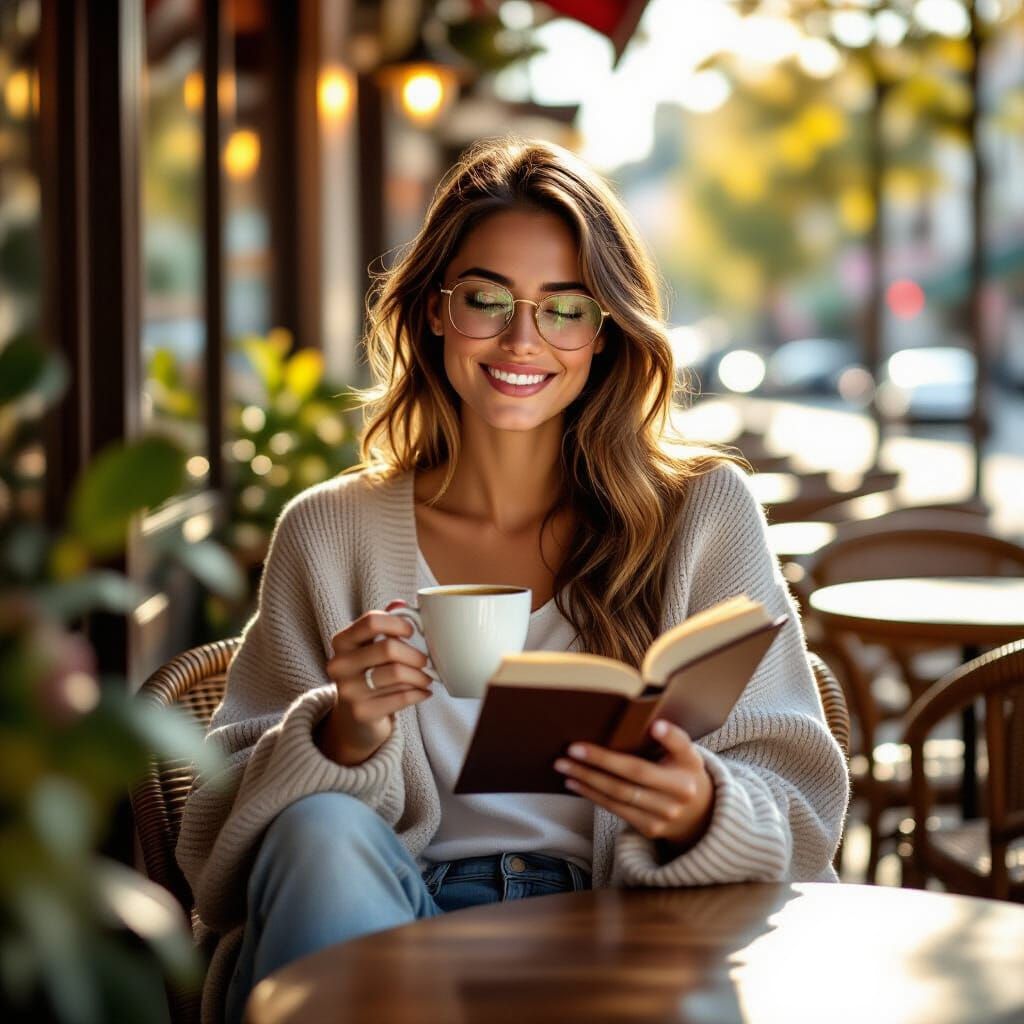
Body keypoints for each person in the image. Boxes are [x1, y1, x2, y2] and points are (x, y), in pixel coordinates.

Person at [176, 137, 849, 1024]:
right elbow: (219, 841)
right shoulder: (329, 529)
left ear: (607, 333)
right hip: (382, 924)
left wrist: (700, 809)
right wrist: (340, 735)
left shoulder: (703, 514)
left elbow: (800, 800)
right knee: (320, 831)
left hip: (627, 931)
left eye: (565, 309)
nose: (522, 339)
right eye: (487, 300)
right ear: (433, 312)